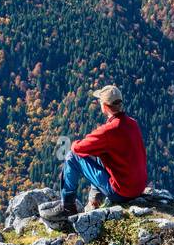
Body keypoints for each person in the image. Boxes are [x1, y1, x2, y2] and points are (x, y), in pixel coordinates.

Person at [50, 85, 148, 218]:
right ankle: (95, 200)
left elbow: (77, 149)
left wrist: (75, 143)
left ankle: (67, 207)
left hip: (121, 192)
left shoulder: (108, 131)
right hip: (138, 187)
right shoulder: (132, 123)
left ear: (105, 106)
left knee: (72, 157)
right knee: (100, 155)